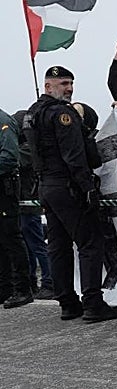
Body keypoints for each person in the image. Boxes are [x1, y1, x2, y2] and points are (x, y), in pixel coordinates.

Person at [25, 66, 117, 322]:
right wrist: (88, 188)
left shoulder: (34, 113)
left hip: (47, 187)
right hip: (67, 186)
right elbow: (74, 157)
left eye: (71, 83)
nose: (69, 89)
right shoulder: (62, 113)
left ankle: (68, 303)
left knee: (58, 247)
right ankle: (93, 303)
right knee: (90, 243)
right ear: (48, 86)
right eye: (63, 83)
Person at [10, 109, 53, 298]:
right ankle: (31, 282)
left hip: (30, 205)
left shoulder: (27, 148)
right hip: (21, 204)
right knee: (28, 246)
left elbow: (16, 159)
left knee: (37, 245)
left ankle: (49, 281)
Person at [0, 107, 34, 309]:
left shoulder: (3, 121)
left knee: (11, 238)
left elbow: (10, 156)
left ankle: (22, 288)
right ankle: (4, 289)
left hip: (5, 189)